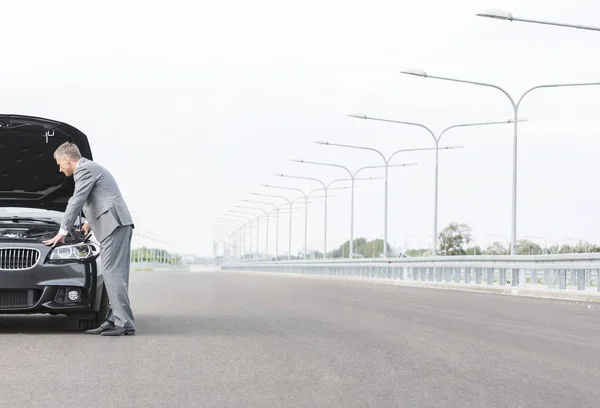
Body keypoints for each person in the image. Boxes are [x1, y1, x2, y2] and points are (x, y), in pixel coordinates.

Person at [43, 142, 136, 336]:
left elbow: (76, 200)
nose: (60, 169)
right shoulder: (90, 168)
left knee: (112, 273)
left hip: (114, 224)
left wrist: (63, 231)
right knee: (114, 274)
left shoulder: (84, 169)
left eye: (60, 163)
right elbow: (100, 198)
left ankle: (124, 323)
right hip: (114, 224)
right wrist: (89, 223)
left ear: (67, 159)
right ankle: (114, 319)